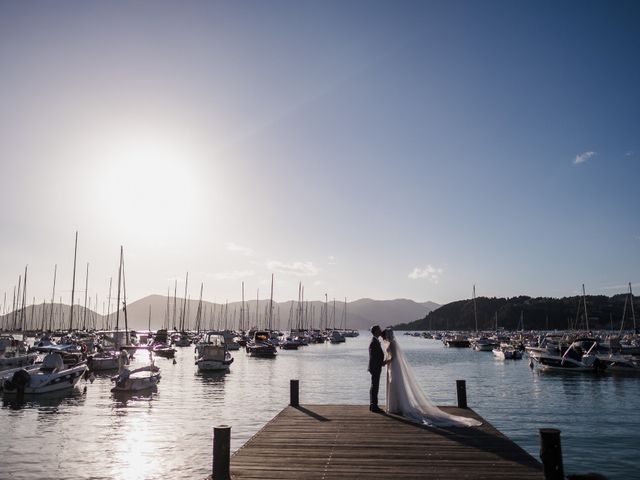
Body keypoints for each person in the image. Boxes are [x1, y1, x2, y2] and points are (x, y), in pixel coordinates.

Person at [382, 327, 481, 427]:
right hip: (392, 366)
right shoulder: (392, 343)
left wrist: (385, 362)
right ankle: (396, 405)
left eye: (384, 335)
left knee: (395, 384)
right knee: (395, 385)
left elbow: (392, 357)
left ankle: (395, 406)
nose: (383, 336)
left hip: (393, 366)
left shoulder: (391, 344)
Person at [368, 325, 385, 412]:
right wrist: (382, 363)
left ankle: (373, 405)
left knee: (374, 386)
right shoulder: (373, 342)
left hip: (376, 367)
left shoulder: (375, 341)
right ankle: (374, 406)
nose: (381, 330)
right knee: (375, 386)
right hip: (375, 367)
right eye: (379, 329)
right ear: (375, 331)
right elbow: (373, 357)